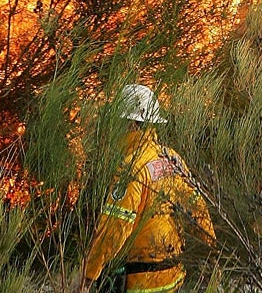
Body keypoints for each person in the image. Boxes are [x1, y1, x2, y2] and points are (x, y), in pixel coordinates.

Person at [74, 84, 215, 293]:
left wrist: (87, 275)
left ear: (130, 124)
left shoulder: (130, 169)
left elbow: (115, 228)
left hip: (142, 283)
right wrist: (213, 252)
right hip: (175, 276)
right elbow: (197, 209)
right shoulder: (172, 159)